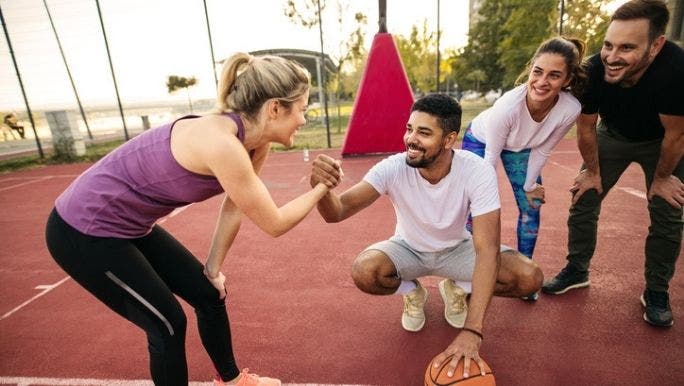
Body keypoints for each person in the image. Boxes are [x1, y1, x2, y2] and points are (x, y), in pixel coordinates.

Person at [45, 52, 339, 386]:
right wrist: (321, 189)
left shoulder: (254, 142)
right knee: (167, 324)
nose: (303, 119)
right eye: (302, 109)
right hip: (82, 230)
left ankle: (232, 381)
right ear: (274, 108)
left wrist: (211, 269)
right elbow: (274, 223)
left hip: (130, 226)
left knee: (209, 294)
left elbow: (234, 205)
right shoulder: (222, 144)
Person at [310, 93, 543, 379]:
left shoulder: (476, 171)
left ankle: (456, 287)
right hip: (409, 249)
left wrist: (473, 330)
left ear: (448, 139)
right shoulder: (393, 167)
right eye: (409, 128)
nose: (411, 139)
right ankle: (412, 292)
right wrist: (320, 188)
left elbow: (487, 249)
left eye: (424, 132)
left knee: (529, 277)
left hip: (457, 250)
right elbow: (338, 211)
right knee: (365, 271)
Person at [542, 0, 684, 328]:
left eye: (627, 47)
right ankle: (577, 269)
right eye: (608, 44)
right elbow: (587, 126)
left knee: (668, 211)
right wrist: (592, 172)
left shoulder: (676, 70)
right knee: (583, 196)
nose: (612, 56)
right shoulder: (593, 71)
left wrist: (662, 179)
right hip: (613, 134)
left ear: (656, 45)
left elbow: (676, 136)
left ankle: (657, 291)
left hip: (662, 141)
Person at [460, 36, 586, 300]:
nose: (541, 82)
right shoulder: (507, 107)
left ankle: (523, 274)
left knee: (532, 206)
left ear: (567, 80)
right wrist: (480, 197)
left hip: (522, 148)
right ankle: (468, 276)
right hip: (482, 141)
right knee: (473, 209)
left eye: (554, 75)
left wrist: (530, 187)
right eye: (537, 72)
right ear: (530, 70)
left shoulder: (570, 108)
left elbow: (543, 148)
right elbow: (490, 159)